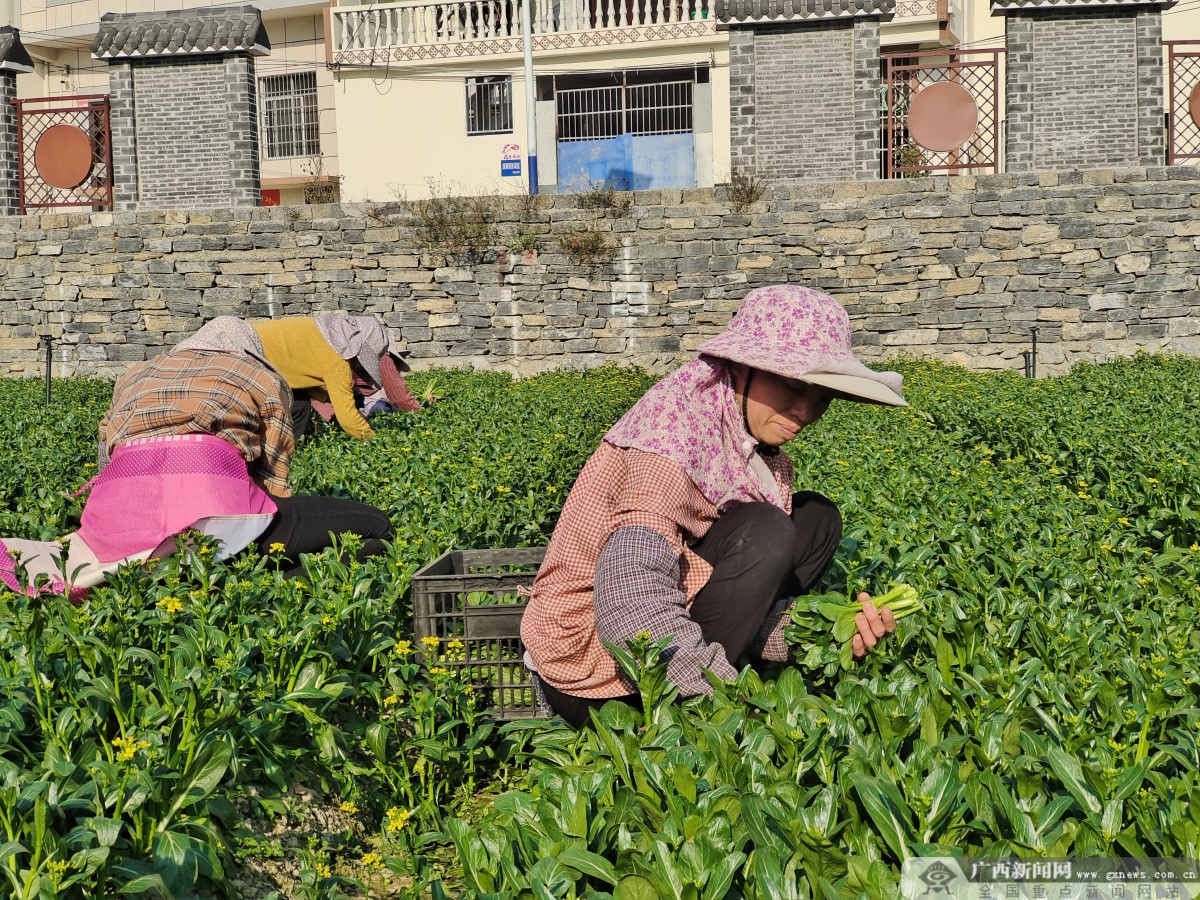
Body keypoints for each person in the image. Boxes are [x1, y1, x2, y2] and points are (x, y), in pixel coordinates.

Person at [519, 285, 909, 728]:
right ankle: (683, 716)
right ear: (742, 368)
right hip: (603, 676)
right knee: (768, 529)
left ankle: (709, 681)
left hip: (668, 633)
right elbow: (628, 595)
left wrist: (825, 628)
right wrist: (718, 694)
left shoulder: (760, 451)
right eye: (791, 386)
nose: (805, 410)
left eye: (822, 397)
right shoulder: (669, 435)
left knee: (815, 519)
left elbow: (738, 591)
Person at [0, 317, 393, 599]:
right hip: (211, 512)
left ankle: (158, 568)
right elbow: (274, 474)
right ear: (250, 349)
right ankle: (243, 589)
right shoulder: (258, 375)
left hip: (116, 515)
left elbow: (107, 456)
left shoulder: (134, 375)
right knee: (376, 528)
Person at [252, 313, 422, 439]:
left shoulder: (323, 332)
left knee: (299, 405)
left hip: (247, 345)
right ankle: (274, 458)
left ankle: (284, 453)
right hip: (248, 356)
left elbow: (300, 378)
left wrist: (329, 401)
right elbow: (348, 420)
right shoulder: (338, 363)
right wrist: (378, 443)